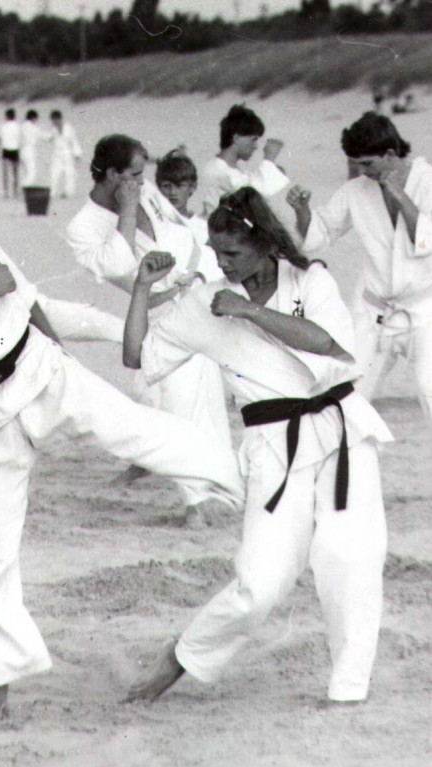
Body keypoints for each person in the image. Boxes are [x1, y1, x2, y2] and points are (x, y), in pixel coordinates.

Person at [0, 122, 243, 720]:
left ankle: (252, 481)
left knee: (137, 430)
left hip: (32, 361)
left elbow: (20, 290)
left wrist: (55, 348)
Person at [123, 187, 392, 705]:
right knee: (258, 584)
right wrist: (141, 288)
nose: (221, 264)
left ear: (265, 243)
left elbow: (329, 344)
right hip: (273, 445)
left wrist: (248, 312)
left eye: (232, 253)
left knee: (350, 556)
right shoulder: (205, 303)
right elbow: (136, 355)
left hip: (341, 428)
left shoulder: (311, 279)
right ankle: (181, 656)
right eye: (216, 252)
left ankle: (348, 690)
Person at [66, 134, 230, 517]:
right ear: (112, 174)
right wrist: (127, 209)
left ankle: (211, 483)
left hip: (198, 293)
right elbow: (118, 266)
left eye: (143, 175)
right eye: (135, 175)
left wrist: (202, 270)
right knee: (177, 401)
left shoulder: (148, 191)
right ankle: (194, 504)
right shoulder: (82, 226)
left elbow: (182, 228)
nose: (143, 183)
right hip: (160, 314)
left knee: (207, 400)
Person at [287, 112, 432, 423]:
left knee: (429, 389)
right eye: (356, 164)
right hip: (374, 311)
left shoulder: (428, 180)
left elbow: (427, 240)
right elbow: (320, 234)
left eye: (367, 163)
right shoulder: (356, 189)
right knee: (348, 393)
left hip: (425, 310)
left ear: (390, 154)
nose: (362, 171)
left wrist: (398, 194)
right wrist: (302, 210)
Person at [201, 105, 289, 217]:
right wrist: (269, 158)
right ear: (236, 138)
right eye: (253, 140)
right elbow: (258, 195)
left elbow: (248, 183)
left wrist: (273, 169)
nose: (256, 146)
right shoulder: (219, 171)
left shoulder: (226, 169)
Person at [155, 149, 210, 246]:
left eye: (179, 186)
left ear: (192, 187)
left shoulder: (203, 228)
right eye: (167, 186)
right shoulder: (155, 223)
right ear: (159, 188)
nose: (172, 192)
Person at [44, 110, 83, 199]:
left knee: (69, 173)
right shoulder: (53, 129)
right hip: (56, 154)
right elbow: (48, 137)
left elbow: (74, 141)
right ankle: (52, 192)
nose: (54, 122)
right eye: (52, 121)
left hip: (67, 153)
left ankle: (68, 192)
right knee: (54, 173)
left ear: (59, 119)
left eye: (55, 120)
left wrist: (77, 153)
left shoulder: (68, 128)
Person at [0, 108, 20, 198]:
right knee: (15, 173)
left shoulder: (3, 126)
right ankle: (15, 191)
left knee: (5, 173)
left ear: (6, 116)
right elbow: (20, 139)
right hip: (15, 150)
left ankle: (6, 191)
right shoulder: (17, 126)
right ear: (14, 116)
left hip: (6, 150)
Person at [20, 109, 45, 187]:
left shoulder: (21, 127)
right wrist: (52, 136)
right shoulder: (33, 127)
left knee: (26, 172)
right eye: (36, 119)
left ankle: (22, 187)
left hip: (21, 151)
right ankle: (24, 188)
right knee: (32, 172)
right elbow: (42, 135)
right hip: (29, 150)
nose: (36, 121)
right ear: (33, 118)